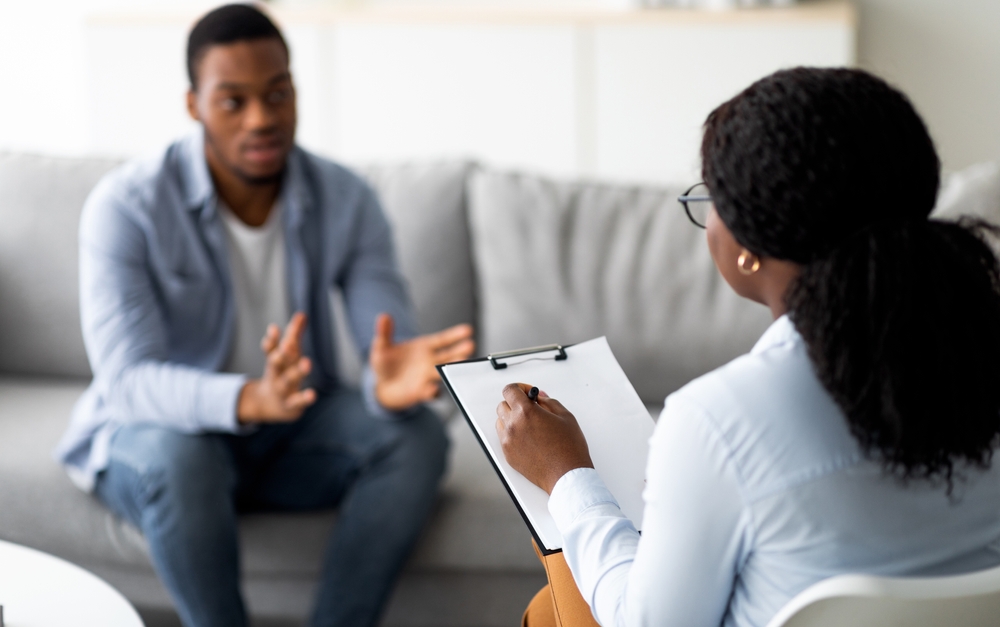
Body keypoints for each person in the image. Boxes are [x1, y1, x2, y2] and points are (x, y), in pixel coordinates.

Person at [496, 67, 1000, 627]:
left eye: (712, 197)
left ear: (748, 246)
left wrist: (566, 476)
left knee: (551, 613)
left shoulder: (719, 421)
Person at [55, 5, 475, 627]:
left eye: (278, 94)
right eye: (234, 101)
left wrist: (389, 388)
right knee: (183, 458)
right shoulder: (126, 207)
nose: (262, 118)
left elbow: (387, 344)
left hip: (290, 432)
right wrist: (249, 398)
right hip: (164, 437)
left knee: (416, 438)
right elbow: (129, 384)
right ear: (194, 105)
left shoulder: (346, 198)